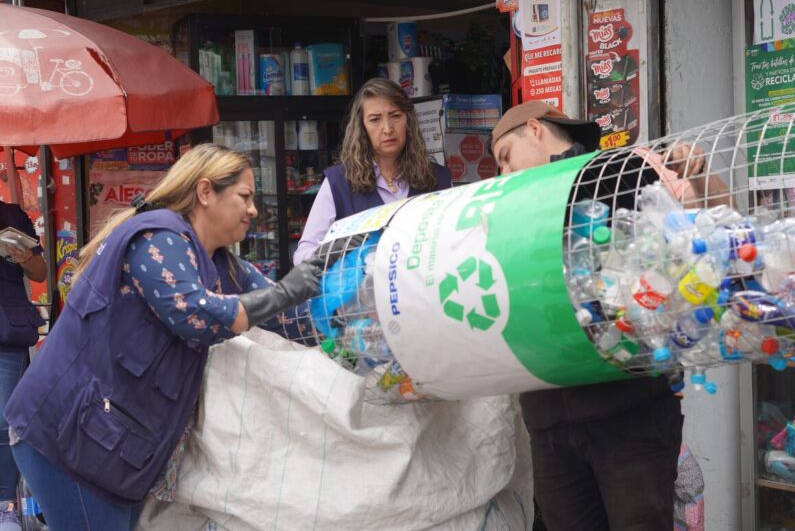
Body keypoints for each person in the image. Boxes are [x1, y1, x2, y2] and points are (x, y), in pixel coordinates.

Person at [3, 144, 349, 530]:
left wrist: (353, 323)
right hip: (65, 439)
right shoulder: (157, 239)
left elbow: (287, 317)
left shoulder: (221, 263)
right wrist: (288, 291)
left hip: (109, 448)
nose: (253, 210)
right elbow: (195, 313)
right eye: (244, 197)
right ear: (205, 193)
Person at [490, 101, 729, 531]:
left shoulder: (617, 171)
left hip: (628, 415)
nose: (504, 175)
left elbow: (719, 228)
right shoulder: (504, 208)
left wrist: (697, 170)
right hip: (549, 423)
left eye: (506, 158)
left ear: (535, 130)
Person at [293, 78, 451, 264]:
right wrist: (335, 251)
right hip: (362, 292)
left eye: (395, 116)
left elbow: (452, 245)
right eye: (375, 119)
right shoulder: (338, 182)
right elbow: (302, 255)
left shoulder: (439, 179)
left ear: (409, 120)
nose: (387, 129)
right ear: (362, 128)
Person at [0, 201, 46, 530]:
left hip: (7, 331)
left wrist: (23, 256)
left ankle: (6, 507)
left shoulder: (12, 216)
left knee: (6, 425)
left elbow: (41, 272)